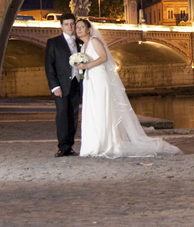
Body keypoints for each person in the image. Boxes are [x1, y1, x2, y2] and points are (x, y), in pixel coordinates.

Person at [74, 19, 182, 158]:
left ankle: (105, 143)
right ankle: (94, 143)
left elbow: (104, 57)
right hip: (90, 80)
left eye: (82, 27)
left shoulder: (95, 41)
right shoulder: (83, 46)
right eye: (77, 27)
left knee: (101, 109)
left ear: (89, 29)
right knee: (93, 110)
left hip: (99, 79)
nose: (79, 30)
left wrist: (87, 66)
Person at [44, 12, 82, 157]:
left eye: (72, 24)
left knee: (73, 116)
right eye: (66, 24)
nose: (70, 27)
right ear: (61, 26)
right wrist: (54, 86)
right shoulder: (53, 43)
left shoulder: (81, 43)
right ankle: (62, 147)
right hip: (61, 86)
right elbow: (49, 66)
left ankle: (70, 146)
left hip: (76, 84)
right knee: (61, 115)